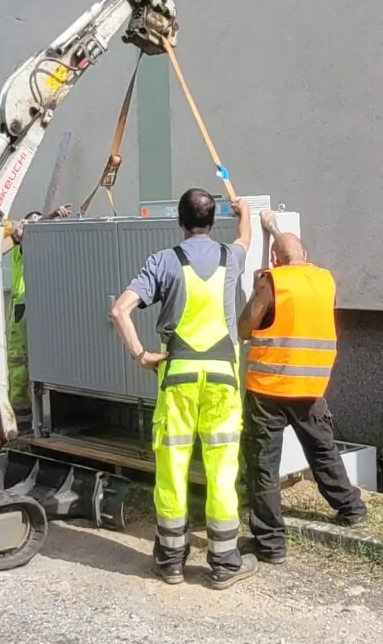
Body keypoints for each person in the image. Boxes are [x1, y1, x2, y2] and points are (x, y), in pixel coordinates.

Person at [110, 188, 258, 588]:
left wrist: (141, 354)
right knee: (222, 470)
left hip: (177, 380)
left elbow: (120, 310)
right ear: (212, 221)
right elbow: (245, 238)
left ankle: (171, 561)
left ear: (180, 221)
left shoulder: (163, 261)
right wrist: (244, 211)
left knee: (173, 468)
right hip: (223, 381)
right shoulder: (231, 257)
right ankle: (224, 563)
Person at [237, 214, 366, 564]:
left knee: (263, 466)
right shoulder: (324, 280)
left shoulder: (271, 281)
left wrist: (257, 288)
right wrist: (275, 228)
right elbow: (292, 257)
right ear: (305, 255)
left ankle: (270, 544)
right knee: (323, 451)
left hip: (269, 390)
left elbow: (245, 328)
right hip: (310, 389)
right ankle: (352, 509)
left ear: (273, 258)